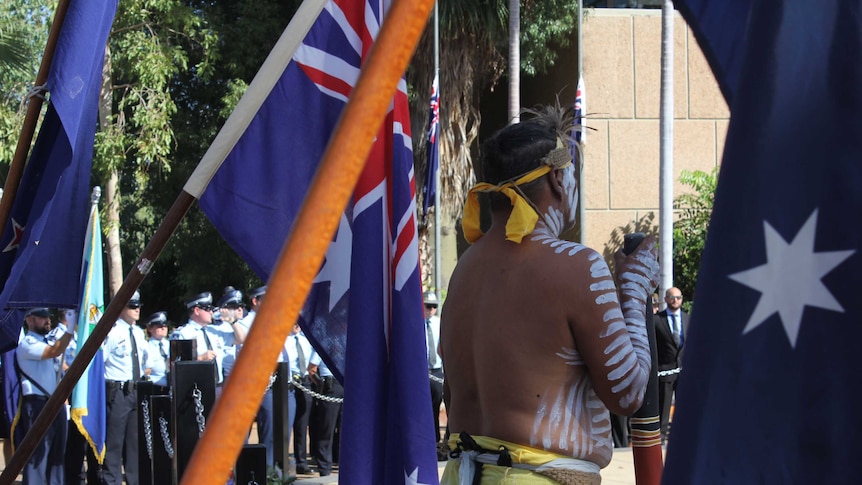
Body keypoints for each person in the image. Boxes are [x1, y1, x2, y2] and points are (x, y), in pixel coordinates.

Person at [439, 106, 659, 484]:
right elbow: (627, 394)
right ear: (558, 179)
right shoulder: (578, 267)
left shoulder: (464, 270)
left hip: (462, 474)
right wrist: (635, 293)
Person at [16, 308, 75, 484]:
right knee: (38, 457)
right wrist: (70, 330)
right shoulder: (27, 344)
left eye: (48, 317)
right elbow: (54, 352)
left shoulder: (46, 341)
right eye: (42, 318)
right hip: (37, 404)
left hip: (54, 403)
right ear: (30, 320)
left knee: (57, 456)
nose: (47, 321)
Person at [102, 291, 149, 485]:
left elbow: (147, 360)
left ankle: (133, 481)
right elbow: (99, 362)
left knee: (134, 442)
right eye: (132, 306)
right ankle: (111, 481)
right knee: (114, 443)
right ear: (121, 307)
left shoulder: (138, 332)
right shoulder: (112, 332)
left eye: (138, 305)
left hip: (135, 390)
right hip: (118, 392)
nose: (137, 309)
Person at [653, 287, 690, 443]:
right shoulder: (656, 320)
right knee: (664, 406)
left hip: (684, 371)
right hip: (665, 370)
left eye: (679, 297)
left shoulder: (688, 318)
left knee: (685, 407)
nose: (676, 300)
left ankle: (683, 436)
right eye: (672, 297)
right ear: (666, 299)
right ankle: (660, 438)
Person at [307, 350, 342, 477]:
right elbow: (311, 369)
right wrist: (321, 385)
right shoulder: (324, 343)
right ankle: (324, 467)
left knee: (345, 429)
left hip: (346, 383)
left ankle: (341, 462)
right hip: (330, 385)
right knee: (327, 428)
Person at [423, 291, 445, 456]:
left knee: (435, 408)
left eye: (434, 306)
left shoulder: (440, 324)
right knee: (423, 410)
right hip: (422, 371)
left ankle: (436, 442)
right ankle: (424, 441)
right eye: (428, 306)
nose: (431, 309)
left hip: (437, 372)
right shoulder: (415, 323)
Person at [212, 286, 247, 382]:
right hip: (228, 377)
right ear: (225, 309)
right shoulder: (219, 327)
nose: (240, 309)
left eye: (242, 306)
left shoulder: (242, 324)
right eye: (235, 307)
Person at [145, 312, 170, 390]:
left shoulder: (171, 344)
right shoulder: (146, 346)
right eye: (159, 326)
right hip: (155, 388)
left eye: (165, 326)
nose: (163, 328)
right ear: (150, 328)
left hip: (173, 387)